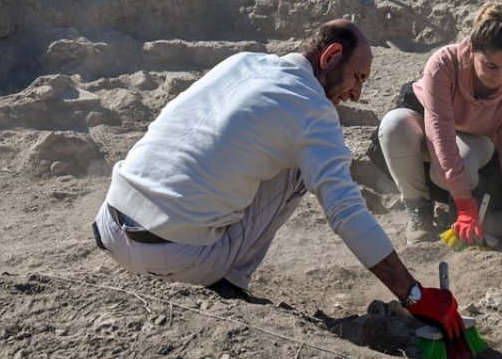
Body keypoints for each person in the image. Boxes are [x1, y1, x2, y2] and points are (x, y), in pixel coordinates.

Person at [93, 19, 466, 341]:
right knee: (299, 169)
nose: (357, 93)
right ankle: (229, 284)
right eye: (357, 77)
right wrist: (413, 295)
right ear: (330, 56)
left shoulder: (242, 63)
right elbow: (347, 214)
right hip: (171, 256)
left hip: (110, 224)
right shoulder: (313, 112)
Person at [375, 2, 502, 245]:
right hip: (431, 130)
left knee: (455, 169)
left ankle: (454, 210)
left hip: (475, 140)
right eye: (491, 66)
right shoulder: (443, 64)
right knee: (394, 125)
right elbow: (439, 132)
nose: (499, 77)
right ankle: (418, 207)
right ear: (471, 50)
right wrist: (466, 204)